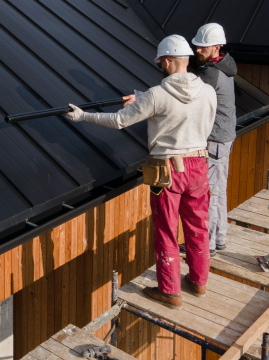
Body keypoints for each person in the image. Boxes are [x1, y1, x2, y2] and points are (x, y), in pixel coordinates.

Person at [66, 35, 216, 308]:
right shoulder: (208, 91)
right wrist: (143, 97)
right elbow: (181, 106)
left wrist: (82, 116)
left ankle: (170, 291)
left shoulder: (158, 95)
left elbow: (119, 120)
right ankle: (199, 282)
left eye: (161, 62)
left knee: (167, 230)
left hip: (169, 170)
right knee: (198, 226)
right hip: (199, 166)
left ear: (168, 61)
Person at [189, 23, 236, 257]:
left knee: (210, 193)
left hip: (215, 140)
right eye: (196, 45)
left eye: (202, 47)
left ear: (216, 47)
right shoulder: (224, 64)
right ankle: (218, 239)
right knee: (219, 191)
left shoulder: (211, 74)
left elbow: (187, 90)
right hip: (223, 138)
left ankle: (206, 247)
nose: (196, 50)